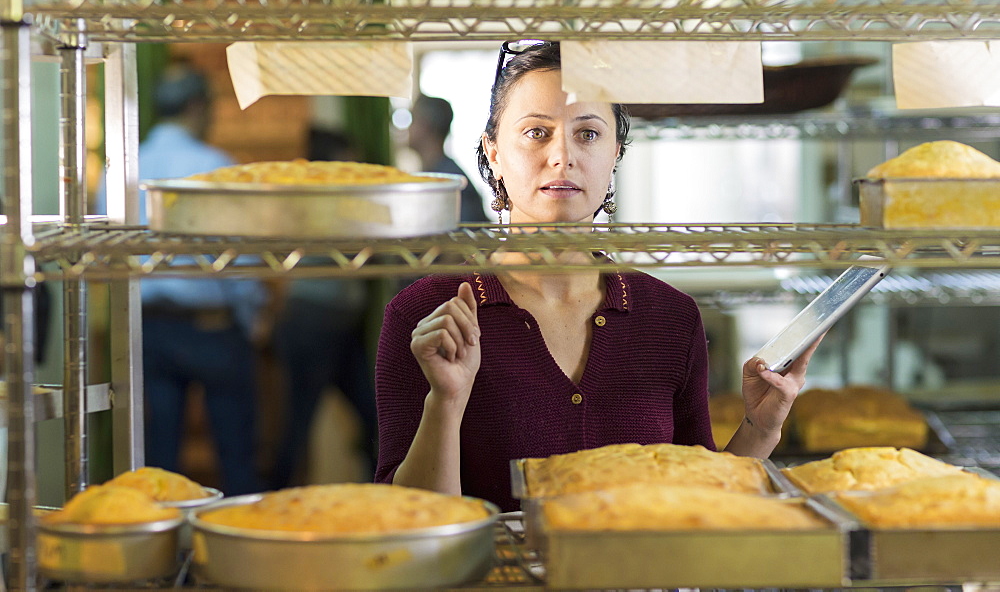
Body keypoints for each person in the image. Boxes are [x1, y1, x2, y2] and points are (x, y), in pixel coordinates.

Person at [373, 41, 820, 512]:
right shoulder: (426, 315)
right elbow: (408, 520)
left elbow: (700, 500)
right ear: (494, 153)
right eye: (536, 132)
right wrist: (445, 400)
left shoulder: (670, 318)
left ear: (615, 155)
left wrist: (760, 429)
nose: (562, 155)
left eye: (587, 134)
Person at [97, 63, 267, 496]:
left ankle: (161, 556)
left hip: (147, 328)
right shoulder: (214, 167)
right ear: (196, 107)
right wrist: (252, 318)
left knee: (157, 460)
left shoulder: (121, 171)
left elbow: (105, 255)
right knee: (236, 453)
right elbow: (238, 260)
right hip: (212, 327)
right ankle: (238, 554)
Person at [269, 128, 377, 489]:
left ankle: (377, 488)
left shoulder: (326, 200)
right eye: (349, 159)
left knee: (373, 417)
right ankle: (275, 501)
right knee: (299, 423)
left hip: (332, 325)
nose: (356, 167)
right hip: (314, 324)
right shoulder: (326, 201)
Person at [408, 95, 490, 223]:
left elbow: (465, 238)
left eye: (412, 120)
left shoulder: (450, 183)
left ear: (425, 125)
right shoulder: (434, 174)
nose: (407, 128)